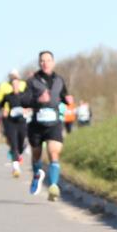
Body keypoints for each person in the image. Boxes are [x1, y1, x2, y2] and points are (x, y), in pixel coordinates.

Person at [22, 51, 70, 201]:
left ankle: (53, 187)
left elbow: (63, 96)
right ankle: (37, 175)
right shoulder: (32, 81)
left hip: (54, 123)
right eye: (42, 60)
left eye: (48, 60)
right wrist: (37, 101)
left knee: (53, 153)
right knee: (36, 155)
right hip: (37, 123)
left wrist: (67, 99)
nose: (45, 63)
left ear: (53, 62)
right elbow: (24, 101)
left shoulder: (59, 80)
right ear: (39, 63)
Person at [0, 69, 28, 177]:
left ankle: (20, 151)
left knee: (21, 143)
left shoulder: (24, 95)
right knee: (13, 144)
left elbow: (31, 104)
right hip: (11, 122)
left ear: (19, 84)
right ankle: (15, 168)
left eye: (16, 84)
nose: (15, 86)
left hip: (22, 121)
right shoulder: (8, 96)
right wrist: (3, 110)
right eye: (13, 85)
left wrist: (27, 110)